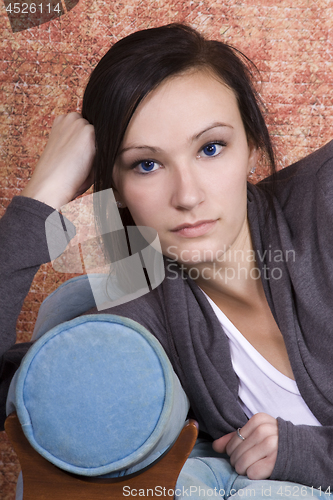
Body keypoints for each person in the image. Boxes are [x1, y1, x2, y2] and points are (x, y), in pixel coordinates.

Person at [1, 22, 333, 498]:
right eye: (147, 164)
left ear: (252, 148)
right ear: (115, 187)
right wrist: (40, 200)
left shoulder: (325, 198)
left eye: (211, 148)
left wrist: (308, 452)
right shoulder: (141, 298)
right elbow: (28, 397)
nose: (188, 195)